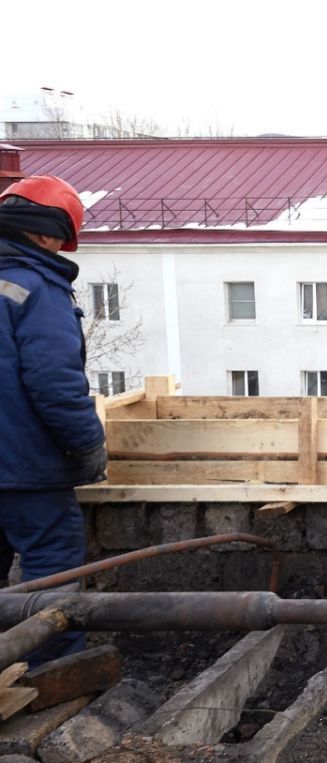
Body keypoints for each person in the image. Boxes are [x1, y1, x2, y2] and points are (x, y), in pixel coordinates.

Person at [0, 175, 107, 664]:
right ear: (45, 235)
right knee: (52, 573)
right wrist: (87, 447)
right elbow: (55, 384)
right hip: (25, 468)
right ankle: (55, 678)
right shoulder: (35, 289)